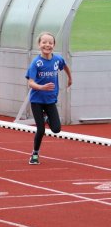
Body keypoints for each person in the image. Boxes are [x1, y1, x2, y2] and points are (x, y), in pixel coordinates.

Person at [25, 31, 72, 165]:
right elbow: (30, 82)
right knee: (41, 130)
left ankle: (46, 118)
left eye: (50, 43)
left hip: (50, 99)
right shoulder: (36, 63)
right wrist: (41, 87)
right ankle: (35, 154)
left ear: (54, 45)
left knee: (56, 129)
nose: (47, 45)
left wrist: (70, 78)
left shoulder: (57, 60)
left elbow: (65, 66)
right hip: (37, 100)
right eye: (44, 42)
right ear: (39, 45)